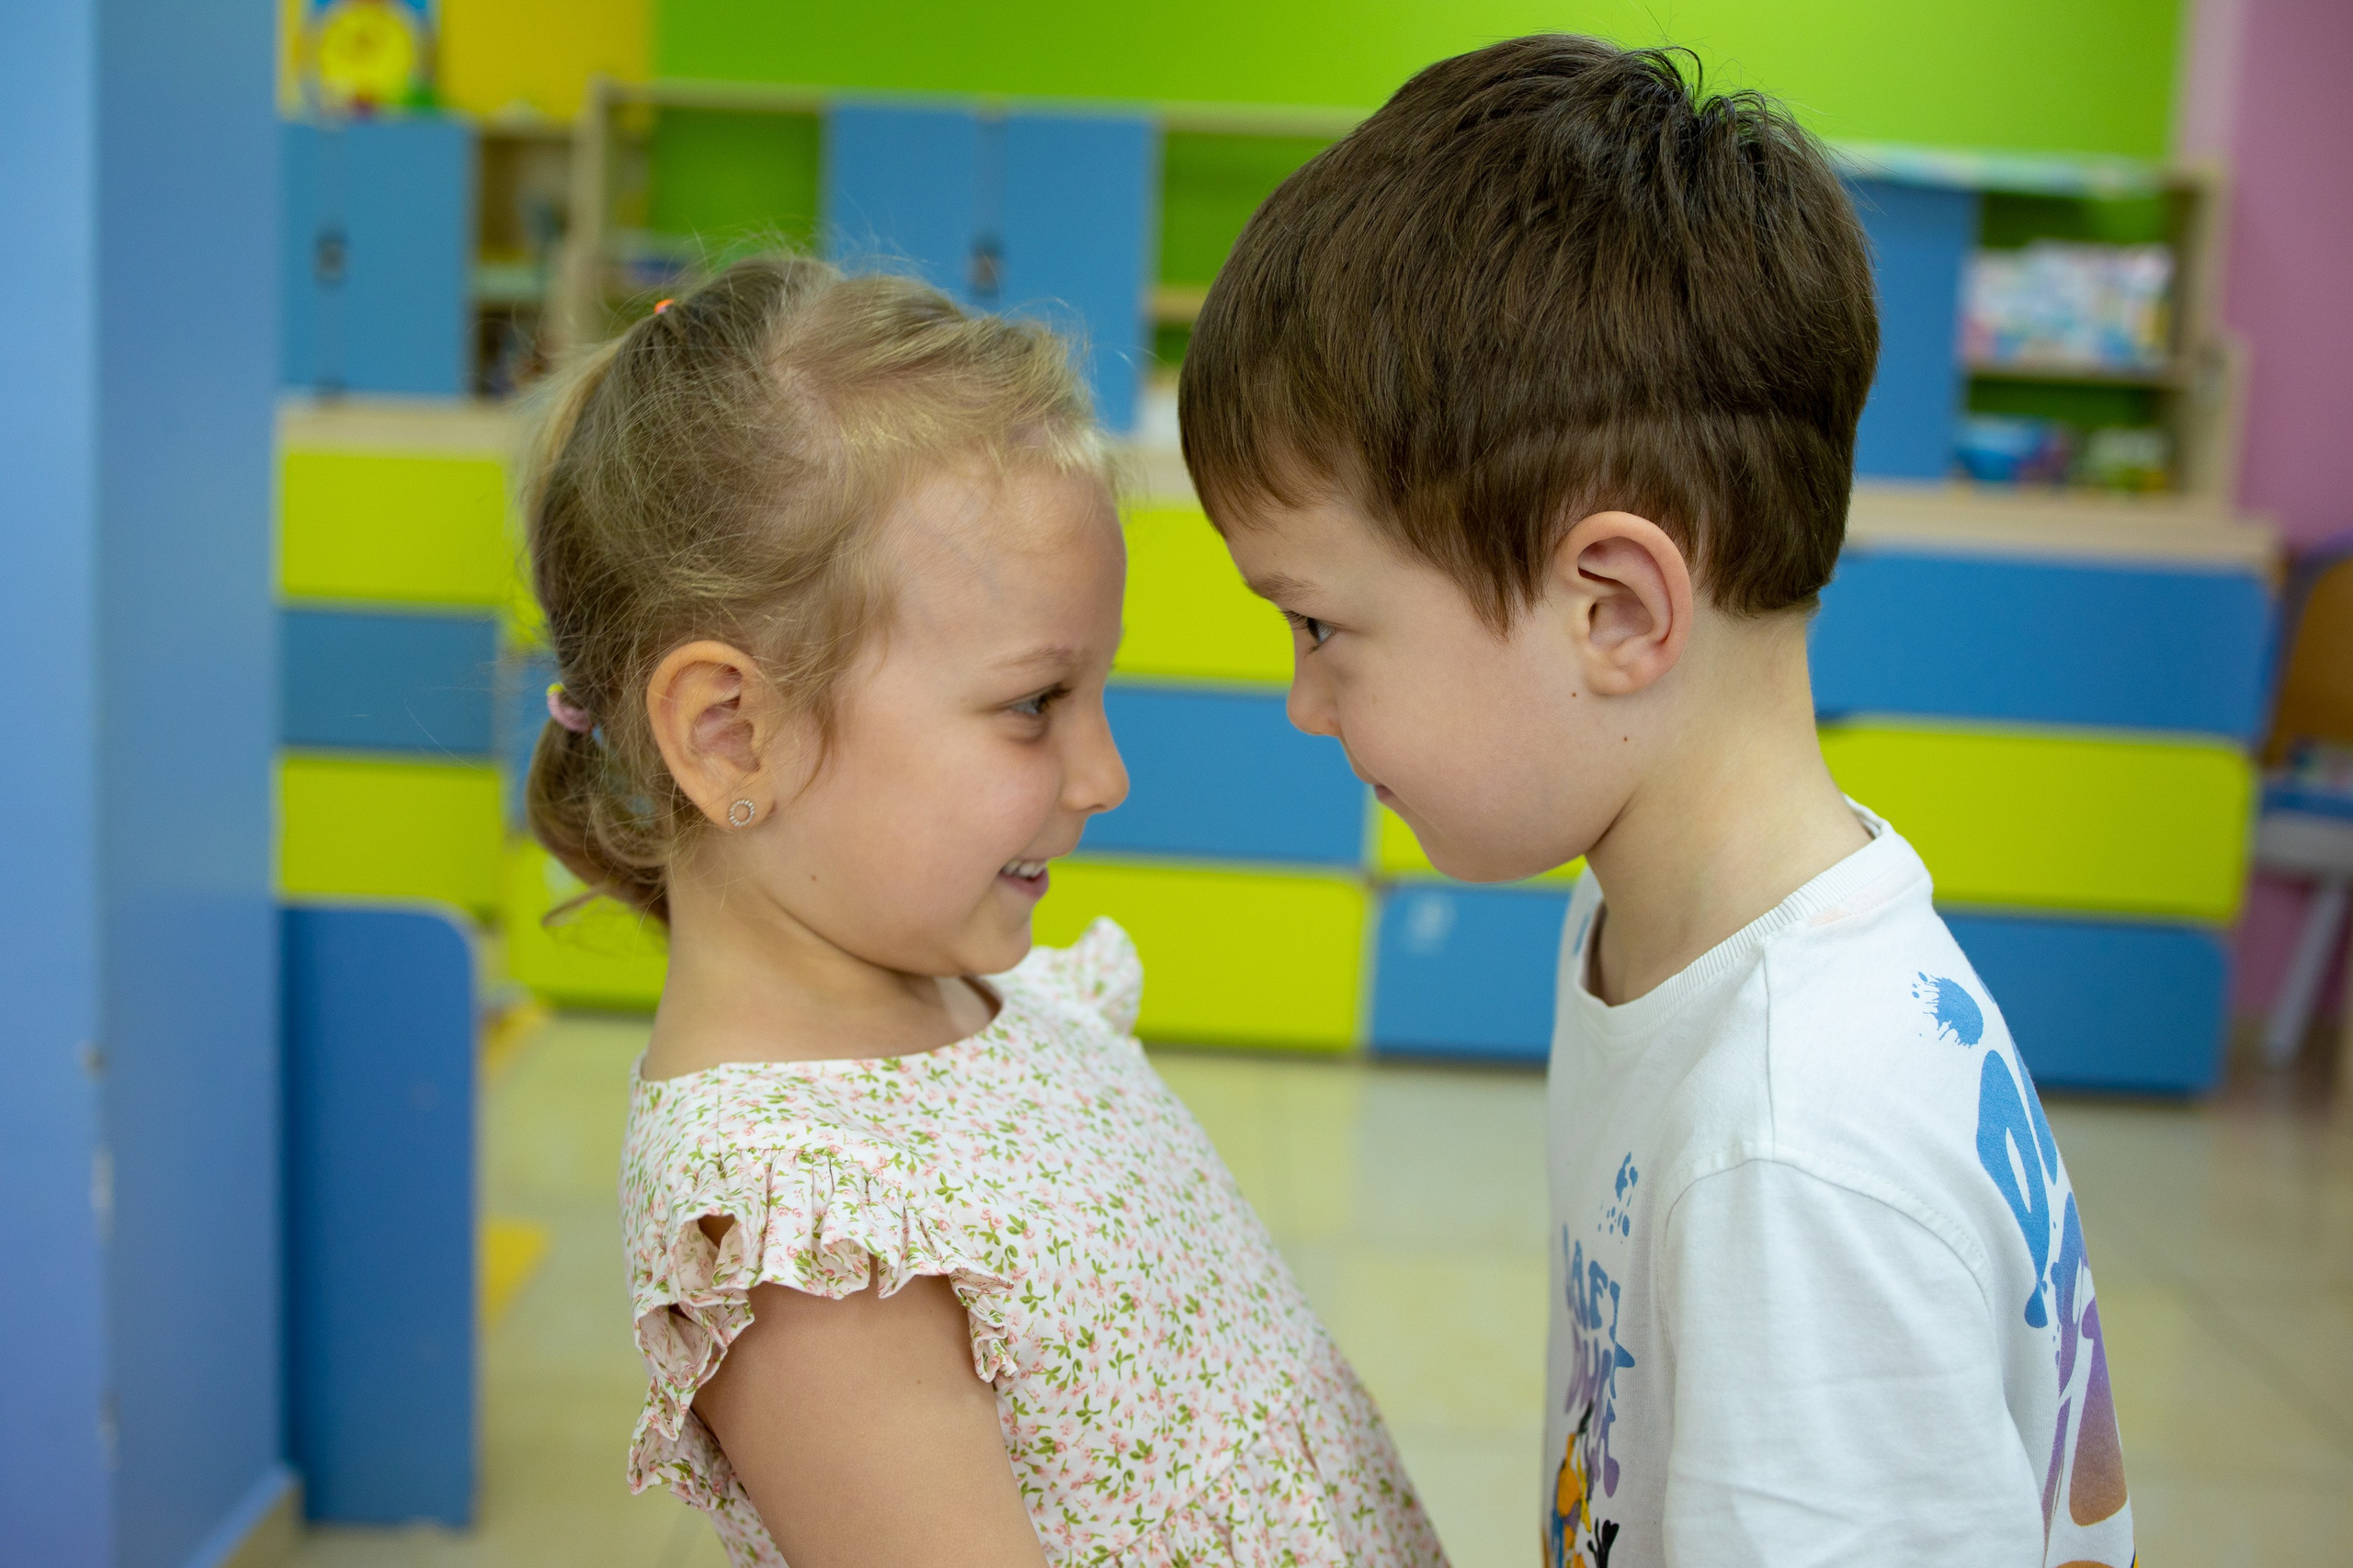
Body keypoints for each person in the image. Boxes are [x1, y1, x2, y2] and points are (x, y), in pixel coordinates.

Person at [1179, 36, 2132, 1568]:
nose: (1304, 699)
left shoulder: (1792, 1153)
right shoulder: (1647, 928)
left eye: (1319, 626)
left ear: (1615, 608)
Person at [521, 256, 1447, 1568]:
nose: (1105, 775)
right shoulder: (806, 1242)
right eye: (1034, 704)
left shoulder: (974, 992)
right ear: (734, 734)